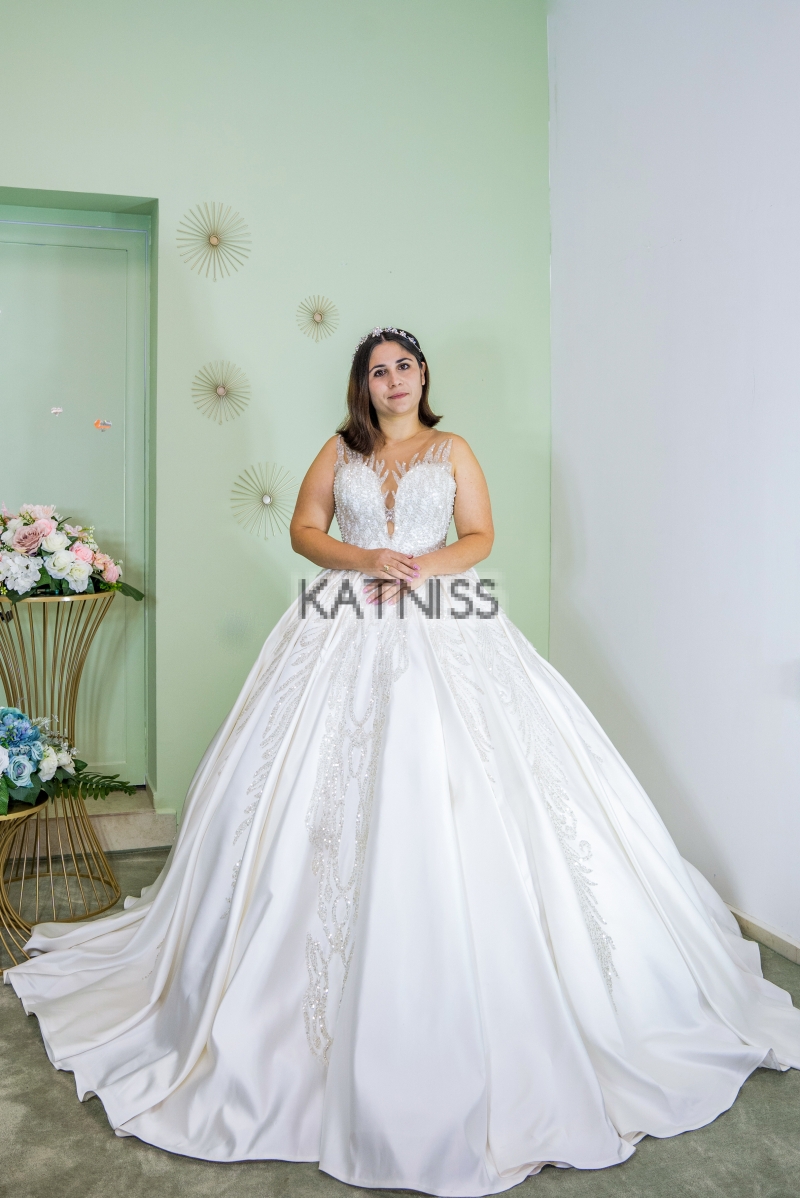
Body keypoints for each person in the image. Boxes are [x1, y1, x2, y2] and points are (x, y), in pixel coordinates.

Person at [5, 326, 800, 1196]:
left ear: (423, 377)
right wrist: (364, 560)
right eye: (378, 370)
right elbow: (305, 531)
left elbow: (480, 535)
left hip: (444, 612)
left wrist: (415, 569)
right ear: (364, 384)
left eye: (404, 367)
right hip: (341, 617)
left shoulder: (453, 450)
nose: (393, 380)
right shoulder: (339, 449)